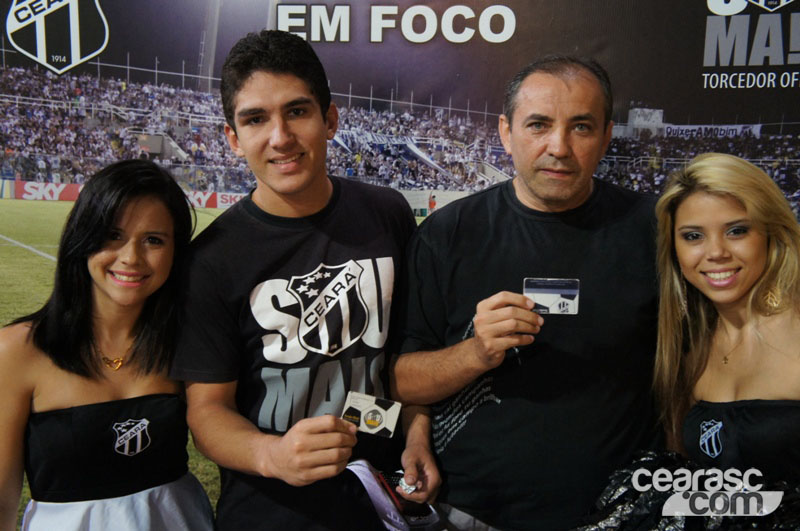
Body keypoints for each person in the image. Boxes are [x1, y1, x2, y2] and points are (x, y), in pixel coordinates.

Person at [170, 30, 438, 530]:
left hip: (385, 495)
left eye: (296, 111)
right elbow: (207, 412)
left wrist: (417, 430)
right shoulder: (210, 261)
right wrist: (273, 455)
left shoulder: (387, 213)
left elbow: (410, 349)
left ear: (330, 119)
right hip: (272, 511)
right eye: (255, 119)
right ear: (232, 138)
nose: (280, 137)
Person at [391, 56, 661, 530]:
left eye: (580, 126)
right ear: (505, 131)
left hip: (620, 513)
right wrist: (476, 352)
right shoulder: (447, 234)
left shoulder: (654, 229)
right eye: (538, 124)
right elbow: (401, 381)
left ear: (606, 136)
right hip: (471, 511)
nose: (558, 146)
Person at [585, 153, 800, 528]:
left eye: (737, 230)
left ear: (771, 233)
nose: (715, 252)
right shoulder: (691, 346)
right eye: (693, 236)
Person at [0, 160, 213, 531]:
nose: (131, 257)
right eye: (113, 235)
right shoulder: (17, 351)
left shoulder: (185, 341)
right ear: (82, 238)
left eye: (154, 240)